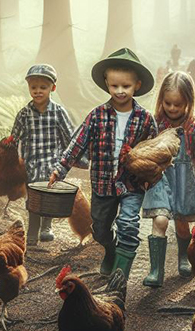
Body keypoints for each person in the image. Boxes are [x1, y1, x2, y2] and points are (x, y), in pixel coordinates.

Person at [49, 48, 158, 278]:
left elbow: (155, 152)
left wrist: (152, 177)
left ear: (136, 85)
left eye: (126, 86)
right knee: (99, 229)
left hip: (131, 183)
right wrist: (60, 169)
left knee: (128, 224)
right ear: (106, 83)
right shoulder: (96, 116)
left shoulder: (145, 119)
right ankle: (110, 248)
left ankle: (120, 277)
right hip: (102, 183)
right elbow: (77, 144)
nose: (120, 91)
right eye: (114, 86)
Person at [141, 71, 195, 287]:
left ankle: (184, 257)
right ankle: (156, 270)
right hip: (160, 180)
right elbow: (145, 149)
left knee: (182, 225)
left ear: (189, 102)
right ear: (161, 100)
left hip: (184, 181)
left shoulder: (192, 127)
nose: (172, 108)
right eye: (168, 103)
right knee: (161, 220)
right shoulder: (156, 124)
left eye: (178, 104)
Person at [6, 64, 75, 245]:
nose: (37, 91)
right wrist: (8, 153)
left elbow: (70, 137)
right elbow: (15, 137)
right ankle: (32, 231)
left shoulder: (58, 112)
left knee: (49, 197)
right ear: (29, 88)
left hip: (52, 163)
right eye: (33, 87)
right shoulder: (24, 114)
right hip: (32, 165)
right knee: (34, 199)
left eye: (42, 87)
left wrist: (76, 159)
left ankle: (46, 227)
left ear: (52, 88)